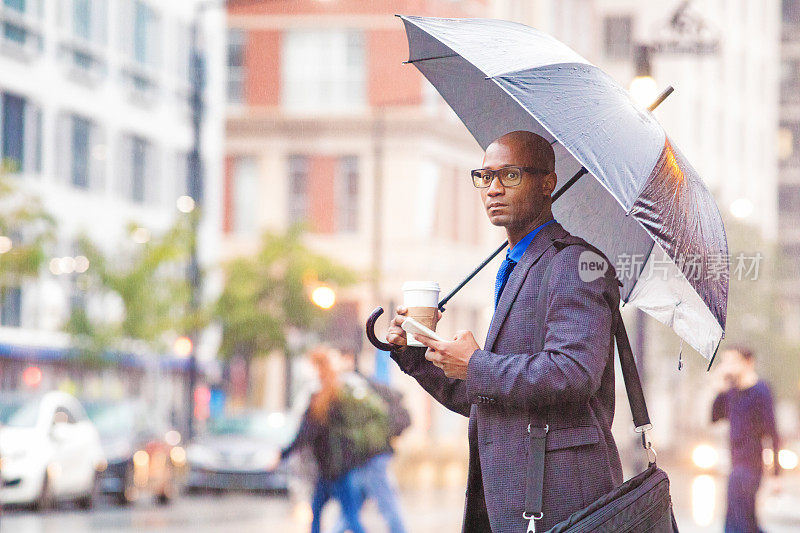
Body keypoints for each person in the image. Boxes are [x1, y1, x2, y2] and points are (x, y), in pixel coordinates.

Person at [386, 130, 624, 532]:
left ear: (547, 183)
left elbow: (573, 373)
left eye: (510, 176)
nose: (493, 189)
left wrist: (476, 364)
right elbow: (487, 398)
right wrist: (417, 354)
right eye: (485, 176)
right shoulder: (514, 266)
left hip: (559, 500)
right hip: (507, 499)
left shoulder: (575, 263)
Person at [280, 347, 366, 533]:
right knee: (331, 513)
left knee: (345, 515)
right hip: (336, 467)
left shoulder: (321, 396)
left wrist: (281, 455)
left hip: (335, 468)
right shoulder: (335, 392)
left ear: (317, 367)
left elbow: (305, 433)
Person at [327, 351, 409, 533]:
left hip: (371, 456)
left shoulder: (354, 386)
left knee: (385, 504)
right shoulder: (358, 384)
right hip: (365, 457)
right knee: (352, 507)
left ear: (348, 358)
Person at [712, 345, 781, 533]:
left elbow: (772, 433)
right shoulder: (732, 392)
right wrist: (720, 387)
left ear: (749, 362)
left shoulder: (761, 390)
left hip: (750, 466)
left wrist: (776, 475)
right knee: (745, 522)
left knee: (737, 523)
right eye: (725, 362)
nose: (728, 367)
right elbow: (715, 417)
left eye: (732, 361)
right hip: (735, 464)